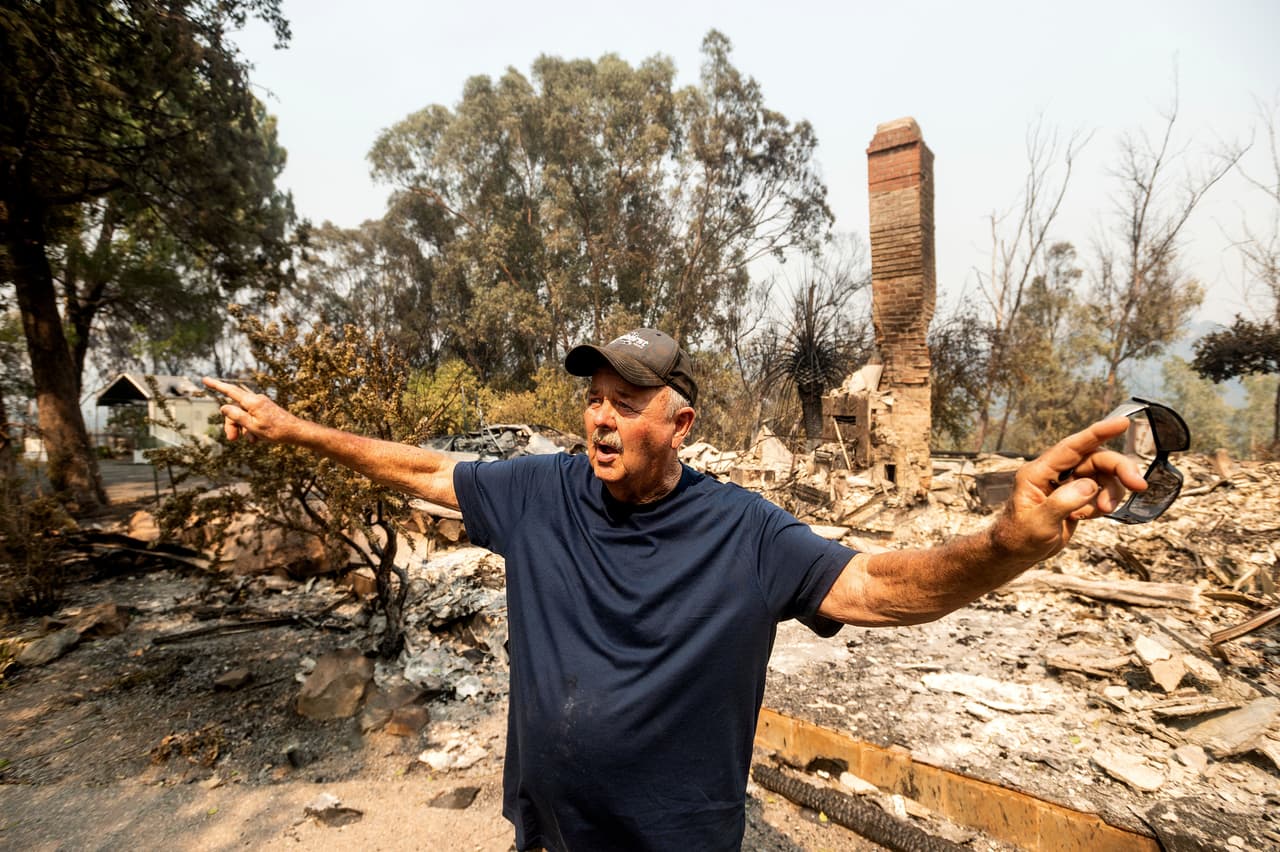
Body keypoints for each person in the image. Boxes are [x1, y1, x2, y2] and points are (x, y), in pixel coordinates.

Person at [203, 327, 1146, 852]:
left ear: (679, 421)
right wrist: (296, 429)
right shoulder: (538, 493)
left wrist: (1006, 545)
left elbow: (881, 586)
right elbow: (420, 470)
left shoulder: (745, 532)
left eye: (627, 401)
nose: (600, 418)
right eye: (592, 398)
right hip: (548, 834)